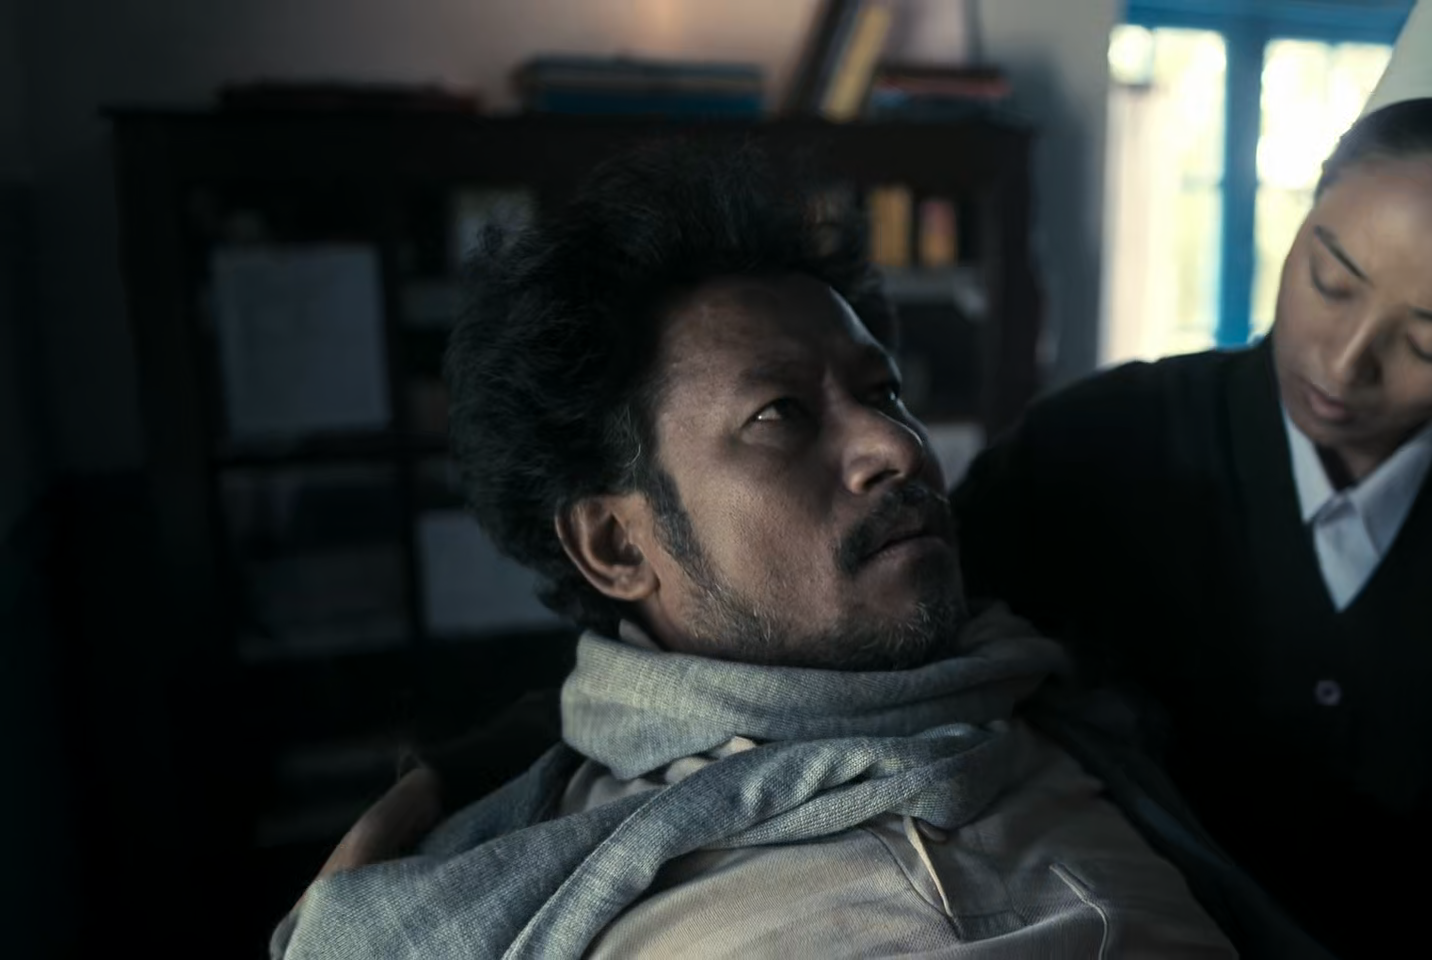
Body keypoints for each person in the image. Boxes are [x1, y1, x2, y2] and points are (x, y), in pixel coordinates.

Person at [310, 2, 1432, 956]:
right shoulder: (1108, 446)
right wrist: (464, 778)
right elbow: (770, 630)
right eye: (1332, 275)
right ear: (1301, 214)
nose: (1347, 362)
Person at [271, 139, 1319, 959]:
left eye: (883, 391)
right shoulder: (532, 876)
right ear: (616, 543)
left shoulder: (1030, 667)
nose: (896, 448)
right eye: (779, 416)